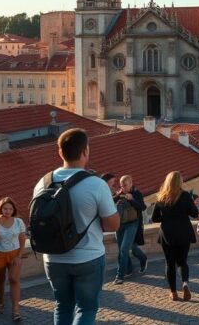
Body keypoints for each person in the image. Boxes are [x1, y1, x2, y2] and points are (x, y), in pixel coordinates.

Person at [33, 128, 119, 325]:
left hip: (53, 258)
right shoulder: (96, 184)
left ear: (60, 152)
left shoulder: (42, 183)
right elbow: (113, 224)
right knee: (86, 309)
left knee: (62, 307)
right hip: (87, 256)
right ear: (85, 152)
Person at [152, 171, 199, 301]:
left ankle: (173, 292)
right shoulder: (185, 196)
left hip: (167, 233)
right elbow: (195, 214)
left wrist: (167, 217)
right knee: (182, 262)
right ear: (180, 182)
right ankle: (185, 283)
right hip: (184, 232)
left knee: (169, 263)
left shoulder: (161, 197)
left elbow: (155, 218)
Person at [0, 197, 26, 321]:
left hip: (14, 254)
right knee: (0, 280)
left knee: (13, 279)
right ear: (0, 210)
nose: (7, 211)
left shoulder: (19, 222)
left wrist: (19, 256)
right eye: (5, 209)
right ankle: (1, 302)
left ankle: (15, 310)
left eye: (10, 209)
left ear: (13, 210)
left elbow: (22, 240)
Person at [113, 175, 147, 284]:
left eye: (125, 185)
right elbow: (111, 202)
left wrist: (132, 199)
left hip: (132, 224)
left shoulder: (137, 193)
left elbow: (142, 207)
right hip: (120, 224)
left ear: (131, 183)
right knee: (129, 246)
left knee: (124, 249)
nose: (123, 187)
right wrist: (118, 196)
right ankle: (140, 260)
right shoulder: (120, 193)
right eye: (121, 185)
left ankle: (120, 275)